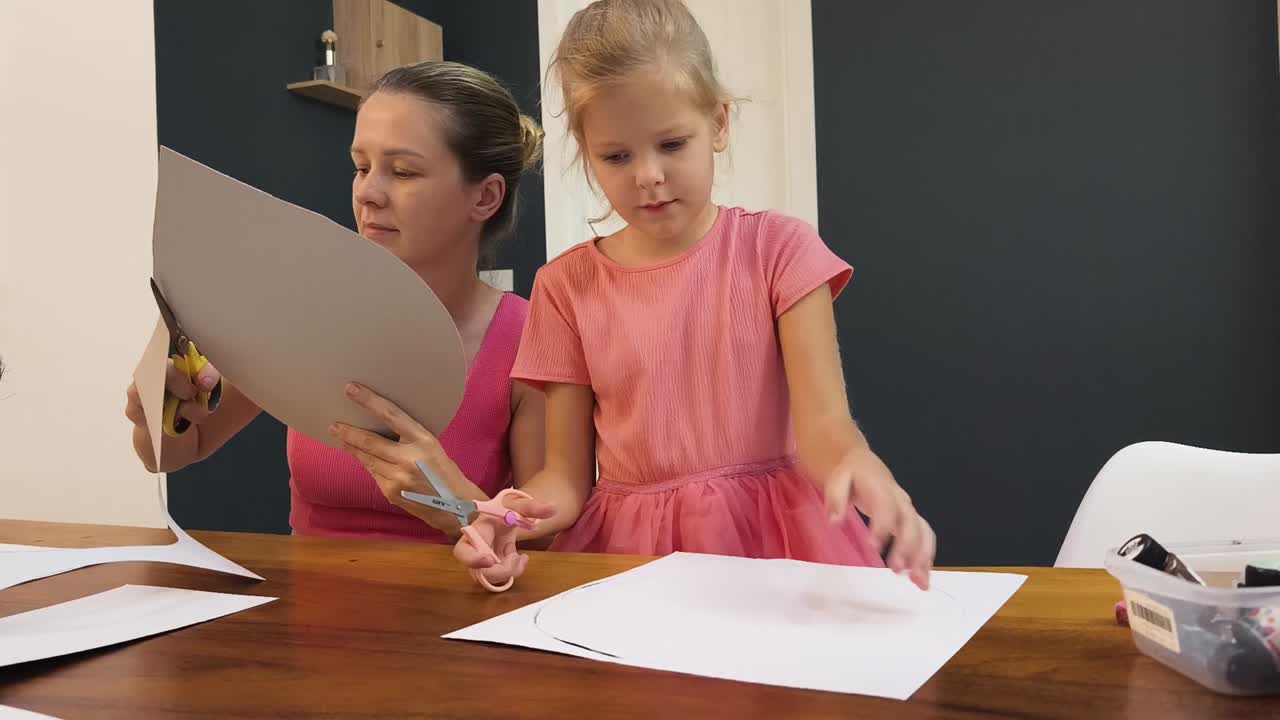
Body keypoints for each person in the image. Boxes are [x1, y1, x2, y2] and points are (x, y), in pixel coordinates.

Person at [455, 0, 936, 591]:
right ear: (586, 152)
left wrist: (861, 466)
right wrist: (512, 518)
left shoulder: (780, 251)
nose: (648, 175)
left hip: (778, 544)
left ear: (719, 122)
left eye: (672, 144)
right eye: (616, 156)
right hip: (633, 558)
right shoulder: (564, 286)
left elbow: (826, 430)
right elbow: (567, 478)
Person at [125, 61, 547, 544]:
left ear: (486, 197)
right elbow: (172, 453)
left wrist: (454, 505)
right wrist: (159, 408)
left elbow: (548, 544)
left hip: (462, 615)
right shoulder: (300, 309)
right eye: (361, 167)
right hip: (310, 612)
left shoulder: (530, 338)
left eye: (403, 172)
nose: (368, 193)